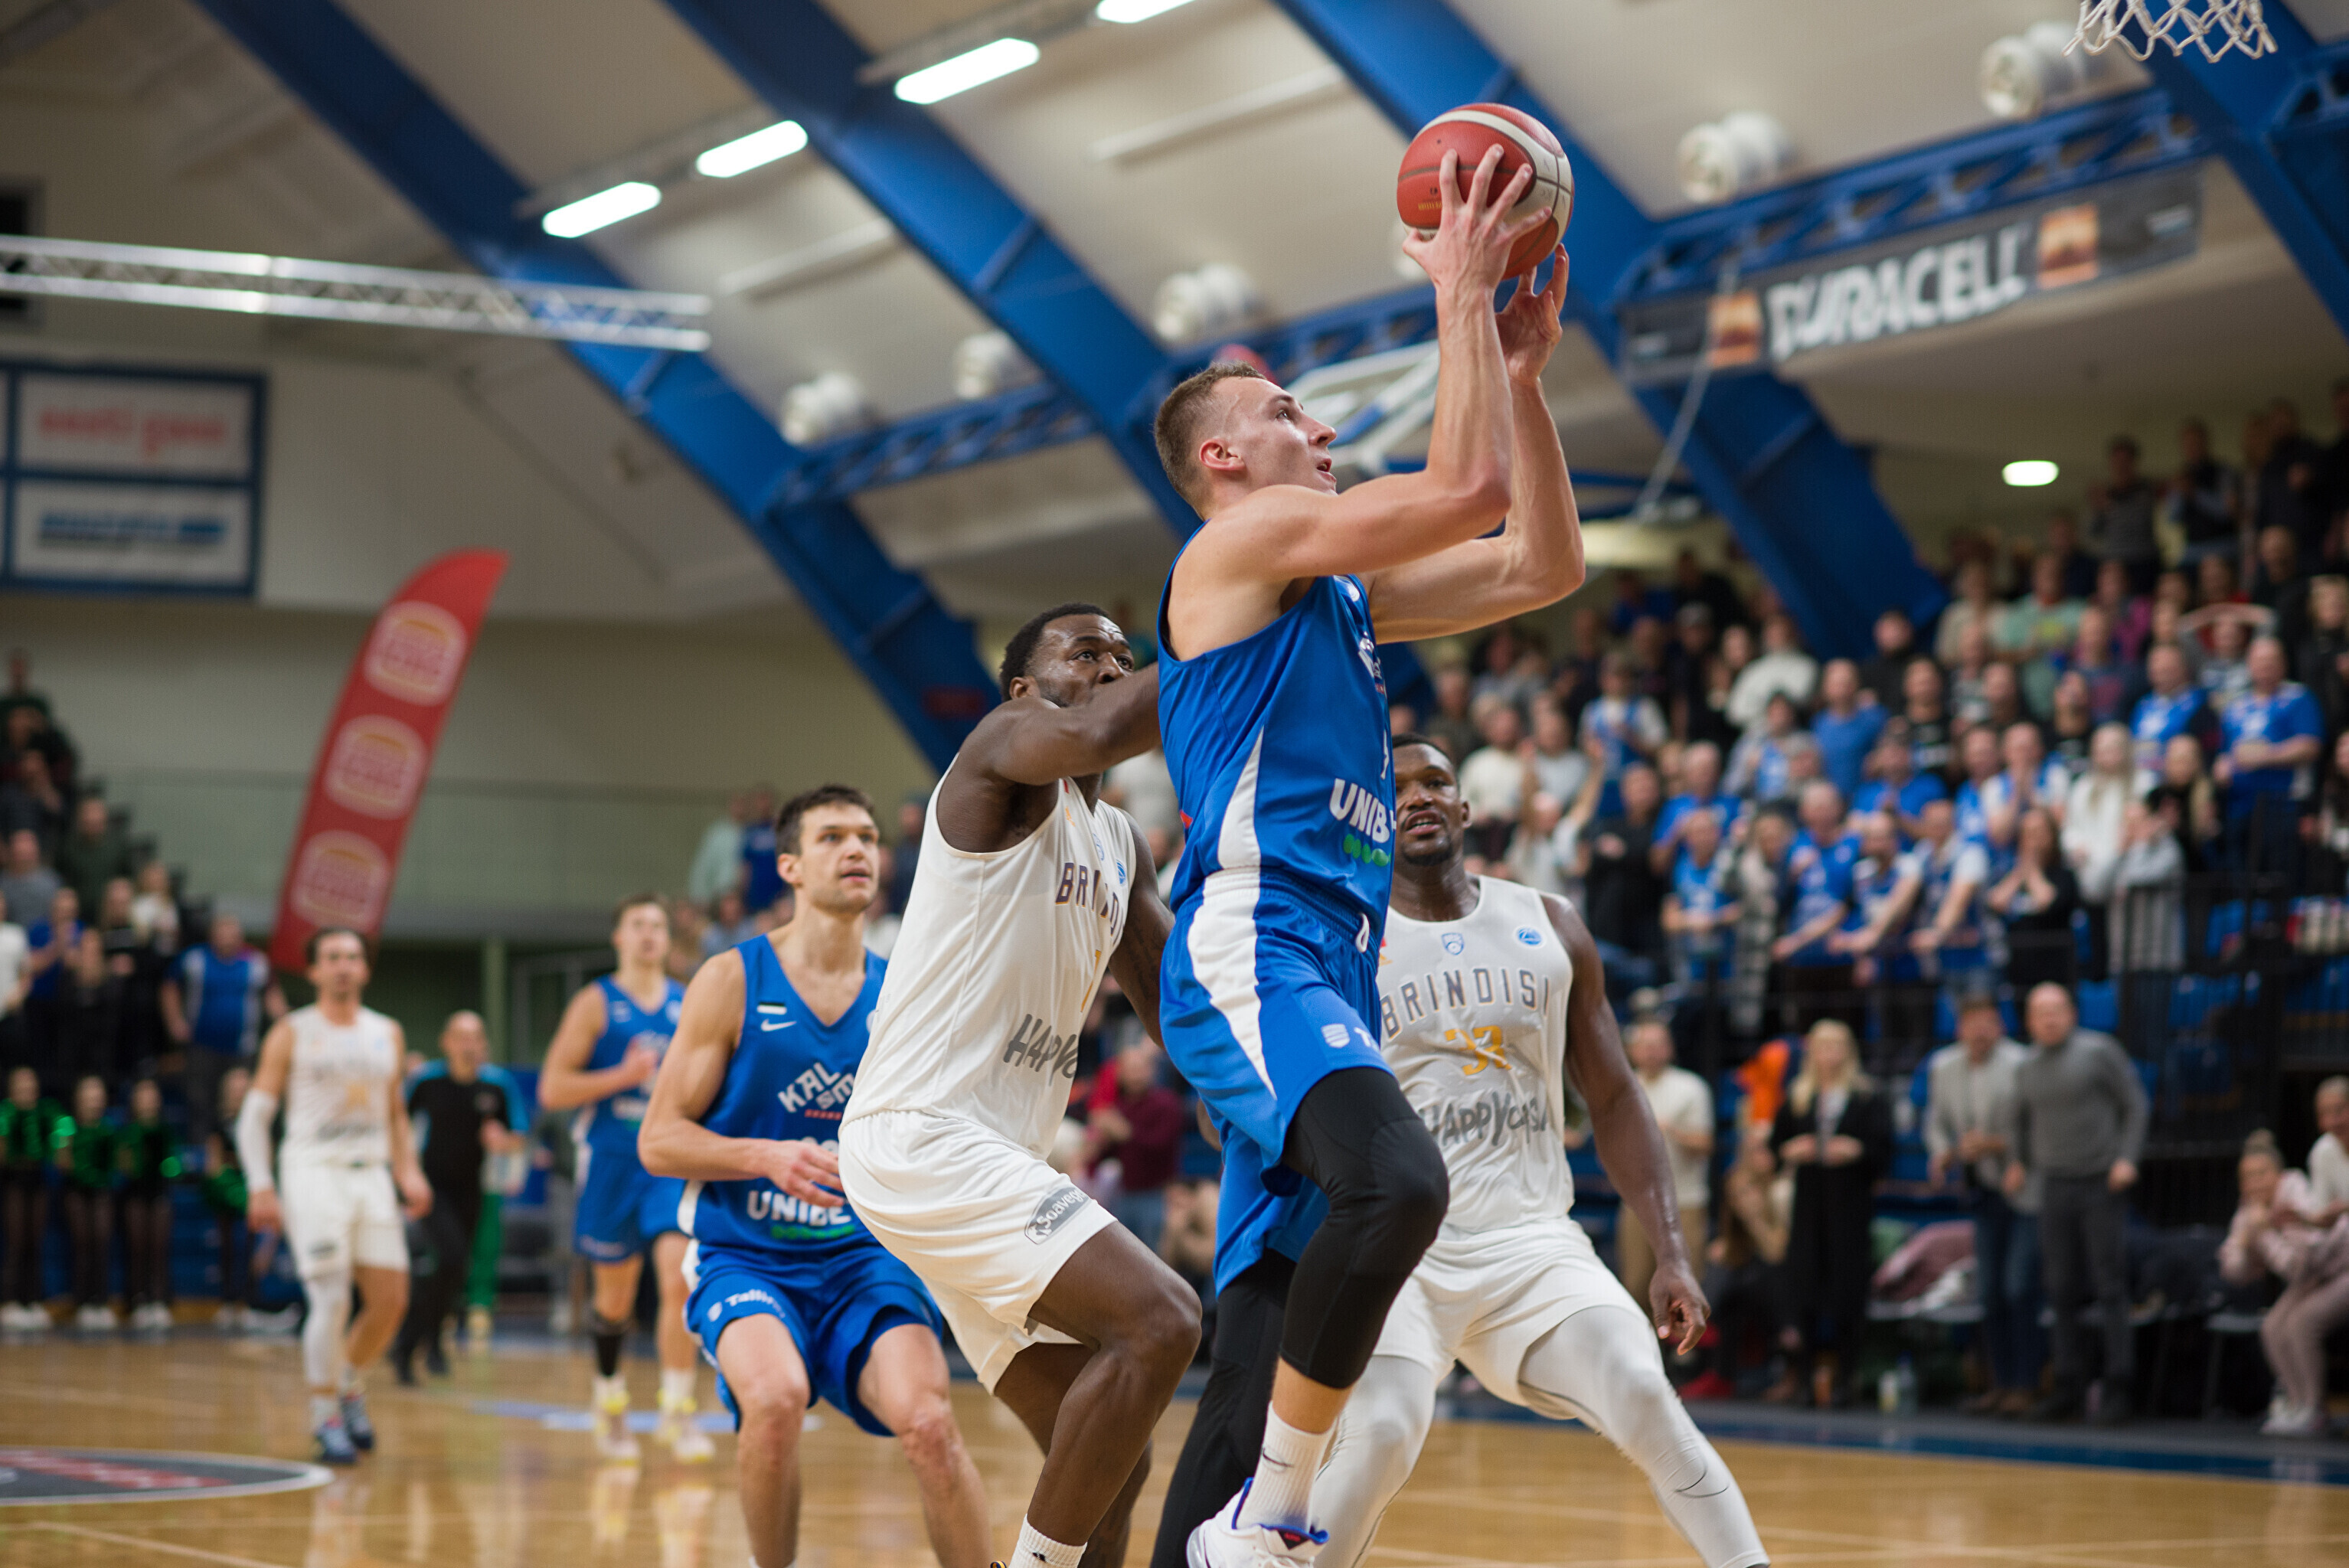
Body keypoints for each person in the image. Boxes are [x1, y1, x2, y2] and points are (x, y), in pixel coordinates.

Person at [1149, 146, 1586, 1568]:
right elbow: (1462, 487)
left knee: (1269, 1322)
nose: (1319, 421)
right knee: (1401, 1185)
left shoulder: (1332, 591)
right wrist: (1460, 290)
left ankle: (1225, 1520)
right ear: (1223, 459)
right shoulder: (1247, 540)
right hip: (1256, 942)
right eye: (1284, 410)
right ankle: (1277, 1521)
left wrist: (1521, 378)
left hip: (1327, 962)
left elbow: (1535, 565)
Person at [1302, 737, 1765, 1568]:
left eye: (1435, 782)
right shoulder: (1341, 942)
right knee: (1381, 1432)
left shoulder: (1548, 922)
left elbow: (1615, 1095)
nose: (1417, 797)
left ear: (1465, 806)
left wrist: (1669, 1249)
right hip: (1396, 1249)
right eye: (1396, 787)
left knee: (1643, 1390)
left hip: (1531, 1242)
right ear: (1370, 814)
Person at [838, 603, 1192, 1568]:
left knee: (1113, 1458)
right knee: (1161, 1319)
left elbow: (1173, 1003)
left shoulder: (1119, 842)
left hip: (993, 1159)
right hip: (923, 1135)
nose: (1111, 667)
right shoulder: (1002, 752)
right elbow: (1101, 728)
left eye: (1123, 654)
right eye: (1085, 653)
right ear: (1022, 690)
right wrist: (1236, 635)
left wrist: (1254, 1097)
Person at [642, 783, 991, 1568]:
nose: (857, 848)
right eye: (832, 836)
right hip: (748, 1254)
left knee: (931, 1424)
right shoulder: (732, 979)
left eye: (867, 835)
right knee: (774, 1403)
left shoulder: (904, 990)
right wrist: (764, 1155)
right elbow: (658, 1139)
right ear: (790, 867)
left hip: (865, 1256)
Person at [235, 929, 430, 1463]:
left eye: (352, 957)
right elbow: (255, 1117)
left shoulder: (386, 1032)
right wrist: (260, 1184)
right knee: (332, 1295)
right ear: (314, 971)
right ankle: (324, 1415)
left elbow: (395, 1113)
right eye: (332, 958)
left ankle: (346, 1382)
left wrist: (409, 1171)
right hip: (313, 1171)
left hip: (371, 1174)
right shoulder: (292, 1032)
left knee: (391, 1302)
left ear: (365, 969)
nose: (343, 966)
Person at [537, 896, 713, 1462]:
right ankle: (609, 1401)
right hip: (611, 1160)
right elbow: (552, 1089)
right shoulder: (596, 1003)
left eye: (657, 925)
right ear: (618, 937)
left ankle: (678, 1411)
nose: (648, 934)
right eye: (637, 925)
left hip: (666, 1161)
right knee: (614, 1300)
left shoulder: (689, 1002)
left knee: (679, 1280)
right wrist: (623, 1075)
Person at [2004, 984, 2147, 1425]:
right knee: (2060, 1286)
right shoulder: (2026, 1067)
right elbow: (2018, 1121)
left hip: (2099, 1179)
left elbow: (2135, 1105)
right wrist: (2018, 1162)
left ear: (2072, 1013)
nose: (2049, 1019)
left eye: (2056, 1010)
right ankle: (2068, 1384)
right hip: (2054, 1184)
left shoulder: (2099, 1052)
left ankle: (2120, 1385)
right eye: (2040, 1012)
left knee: (2109, 1284)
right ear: (2029, 1022)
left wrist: (2127, 1158)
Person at [1924, 1001, 2040, 1416]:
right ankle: (2001, 1384)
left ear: (2001, 1027)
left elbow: (2039, 1125)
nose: (1980, 1031)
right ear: (1959, 1028)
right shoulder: (1944, 1066)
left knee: (2019, 1287)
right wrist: (1942, 1152)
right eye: (1972, 1024)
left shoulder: (2021, 1064)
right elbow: (1936, 1121)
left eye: (1988, 1023)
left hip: (2025, 1190)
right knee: (1990, 1291)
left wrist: (2007, 1152)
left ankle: (2026, 1384)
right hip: (1982, 1190)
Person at [1769, 1019, 1893, 1407]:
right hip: (1809, 1204)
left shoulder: (1867, 1096)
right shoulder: (1799, 1096)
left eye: (1837, 1046)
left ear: (1848, 1051)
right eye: (1822, 1046)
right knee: (1804, 1288)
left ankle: (1845, 1378)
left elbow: (1884, 1150)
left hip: (1850, 1205)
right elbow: (1775, 1146)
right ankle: (1805, 1378)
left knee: (1847, 1293)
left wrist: (1857, 1151)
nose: (1829, 1054)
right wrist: (1792, 1150)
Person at [392, 1012, 516, 1383]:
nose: (468, 1044)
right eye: (461, 1036)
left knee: (455, 1268)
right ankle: (409, 1344)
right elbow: (397, 1123)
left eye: (475, 1037)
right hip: (431, 1189)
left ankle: (431, 1342)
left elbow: (518, 1136)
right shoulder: (427, 1080)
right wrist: (404, 1176)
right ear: (446, 1042)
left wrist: (503, 1141)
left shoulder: (496, 1085)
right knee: (449, 1255)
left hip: (472, 1189)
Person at [2217, 1130, 2348, 1438]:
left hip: (2342, 1267)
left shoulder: (2296, 1194)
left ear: (2278, 1173)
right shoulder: (2250, 1210)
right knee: (2272, 1326)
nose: (2255, 1183)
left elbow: (2297, 1268)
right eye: (2247, 1177)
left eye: (2261, 1174)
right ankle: (2296, 1402)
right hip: (2317, 1277)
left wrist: (2264, 1236)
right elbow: (2232, 1270)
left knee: (2302, 1323)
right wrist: (2246, 1243)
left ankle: (2315, 1409)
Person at [162, 912, 286, 1147]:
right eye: (223, 932)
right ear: (213, 935)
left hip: (243, 1049)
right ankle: (200, 1153)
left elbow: (272, 995)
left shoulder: (256, 962)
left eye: (233, 933)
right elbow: (169, 987)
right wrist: (175, 1021)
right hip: (202, 1046)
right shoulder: (195, 959)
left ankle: (242, 1151)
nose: (228, 938)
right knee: (200, 1102)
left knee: (242, 1102)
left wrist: (285, 1022)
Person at [1618, 1019, 1715, 1312]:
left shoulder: (1691, 1087)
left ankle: (1684, 1343)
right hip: (1637, 1204)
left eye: (1658, 1044)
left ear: (1670, 1049)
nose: (1651, 1051)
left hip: (1684, 1201)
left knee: (1686, 1288)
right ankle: (1646, 1340)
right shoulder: (1623, 1087)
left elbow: (1706, 1145)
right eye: (1645, 1045)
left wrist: (1671, 1131)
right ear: (1632, 1051)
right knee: (1636, 1286)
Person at [2215, 634, 2322, 874]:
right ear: (2249, 665)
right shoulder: (2236, 706)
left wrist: (2263, 756)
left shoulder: (2298, 698)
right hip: (2239, 807)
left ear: (2283, 664)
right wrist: (2221, 767)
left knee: (2280, 879)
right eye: (2259, 661)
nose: (2265, 666)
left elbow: (2310, 745)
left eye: (2271, 660)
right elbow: (2225, 752)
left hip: (2283, 805)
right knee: (2240, 880)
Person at [1086, 1040, 1186, 1249]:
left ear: (1151, 1070)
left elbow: (1160, 1146)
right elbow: (1107, 1155)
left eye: (1140, 1069)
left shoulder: (1166, 1104)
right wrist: (1096, 1147)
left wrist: (1126, 1133)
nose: (1136, 1076)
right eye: (1131, 1070)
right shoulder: (1120, 1108)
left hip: (1156, 1195)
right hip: (1125, 1195)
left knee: (1153, 1254)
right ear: (1121, 1074)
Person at [202, 1063, 270, 1333]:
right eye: (235, 1088)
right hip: (227, 1190)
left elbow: (265, 1154)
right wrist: (225, 1182)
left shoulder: (257, 1122)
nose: (240, 1092)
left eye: (244, 1087)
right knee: (228, 1247)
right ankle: (229, 1301)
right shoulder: (220, 1123)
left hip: (253, 1188)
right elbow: (214, 1161)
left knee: (252, 1247)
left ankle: (251, 1302)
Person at [1988, 809, 2080, 993]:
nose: (2033, 840)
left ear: (2052, 836)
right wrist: (2020, 872)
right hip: (2020, 970)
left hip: (2055, 969)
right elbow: (1996, 902)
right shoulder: (2012, 875)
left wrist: (2031, 868)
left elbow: (2046, 901)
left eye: (2039, 832)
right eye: (2027, 833)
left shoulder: (2064, 875)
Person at [116, 1076, 178, 1331]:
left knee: (159, 1249)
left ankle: (160, 1300)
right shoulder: (128, 1130)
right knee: (138, 1248)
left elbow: (174, 1163)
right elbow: (122, 1165)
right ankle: (138, 1301)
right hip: (135, 1194)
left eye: (152, 1095)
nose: (148, 1100)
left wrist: (166, 1165)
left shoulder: (165, 1130)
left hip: (159, 1192)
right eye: (143, 1095)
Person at [57, 1073, 118, 1330]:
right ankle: (82, 1302)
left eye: (97, 1094)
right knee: (82, 1244)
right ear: (79, 1098)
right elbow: (61, 1161)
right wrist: (80, 1167)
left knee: (101, 1243)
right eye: (88, 1094)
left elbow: (118, 1162)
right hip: (77, 1191)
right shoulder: (68, 1127)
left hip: (101, 1191)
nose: (93, 1100)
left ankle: (100, 1301)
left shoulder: (108, 1129)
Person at [0, 1065, 57, 1330]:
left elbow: (59, 1146)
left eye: (30, 1085)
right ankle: (10, 1301)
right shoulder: (6, 1114)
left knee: (34, 1241)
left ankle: (33, 1299)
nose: (26, 1090)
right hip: (13, 1182)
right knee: (16, 1242)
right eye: (21, 1086)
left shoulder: (44, 1114)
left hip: (37, 1181)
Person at [2307, 1076, 2349, 1223]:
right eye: (2326, 1113)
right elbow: (2322, 1211)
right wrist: (2302, 1219)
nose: (2334, 1121)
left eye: (2339, 1110)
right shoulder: (2321, 1152)